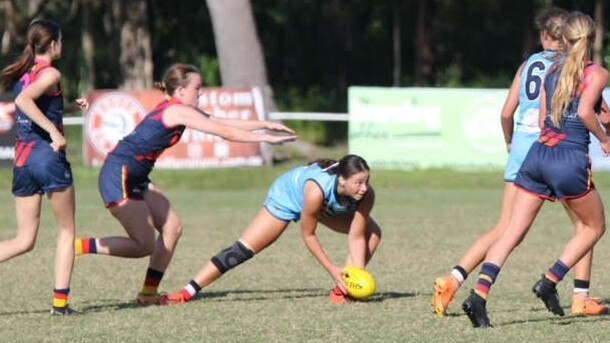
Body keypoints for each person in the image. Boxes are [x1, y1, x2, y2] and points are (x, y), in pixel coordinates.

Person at [433, 7, 608, 318]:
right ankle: (552, 281)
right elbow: (585, 112)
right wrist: (604, 139)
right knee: (592, 227)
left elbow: (542, 118)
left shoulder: (548, 70)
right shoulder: (596, 73)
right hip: (568, 159)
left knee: (511, 230)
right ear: (593, 39)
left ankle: (478, 296)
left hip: (536, 154)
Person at [74, 63, 297, 305]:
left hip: (136, 177)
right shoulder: (177, 111)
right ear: (180, 90)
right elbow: (225, 133)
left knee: (172, 228)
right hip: (119, 174)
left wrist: (264, 123)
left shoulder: (181, 108)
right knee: (144, 244)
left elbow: (220, 121)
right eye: (197, 88)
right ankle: (79, 246)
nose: (200, 93)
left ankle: (148, 294)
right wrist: (266, 138)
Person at [158, 154, 381, 305]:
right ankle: (186, 293)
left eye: (366, 181)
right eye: (358, 183)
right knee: (242, 250)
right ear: (342, 180)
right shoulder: (316, 191)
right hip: (288, 196)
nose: (364, 188)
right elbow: (308, 235)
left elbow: (357, 235)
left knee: (373, 232)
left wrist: (356, 279)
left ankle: (343, 291)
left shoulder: (366, 195)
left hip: (324, 207)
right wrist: (333, 269)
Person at [0, 19, 88, 315]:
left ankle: (61, 305)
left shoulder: (29, 72)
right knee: (66, 230)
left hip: (23, 161)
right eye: (61, 40)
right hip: (48, 159)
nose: (63, 45)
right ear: (53, 44)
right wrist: (54, 131)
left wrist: (70, 108)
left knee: (24, 240)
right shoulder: (51, 72)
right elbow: (25, 101)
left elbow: (30, 102)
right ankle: (60, 306)